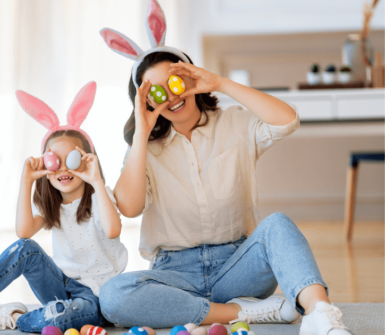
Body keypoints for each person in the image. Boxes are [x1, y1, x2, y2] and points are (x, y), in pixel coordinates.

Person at [98, 1, 353, 335]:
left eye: (176, 83)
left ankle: (320, 314)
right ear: (145, 101)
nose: (171, 98)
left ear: (192, 77)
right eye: (157, 93)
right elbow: (129, 208)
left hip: (238, 266)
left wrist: (219, 83)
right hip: (176, 276)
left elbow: (288, 120)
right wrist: (142, 133)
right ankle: (238, 312)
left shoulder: (233, 124)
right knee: (113, 296)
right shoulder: (144, 148)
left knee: (277, 225)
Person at [0, 82, 128, 335]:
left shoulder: (99, 195)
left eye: (72, 160)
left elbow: (112, 230)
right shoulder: (52, 205)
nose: (63, 168)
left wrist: (96, 180)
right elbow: (23, 234)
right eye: (55, 161)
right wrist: (26, 180)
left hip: (95, 300)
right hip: (60, 286)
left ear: (87, 160)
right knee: (24, 249)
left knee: (60, 319)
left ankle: (12, 316)